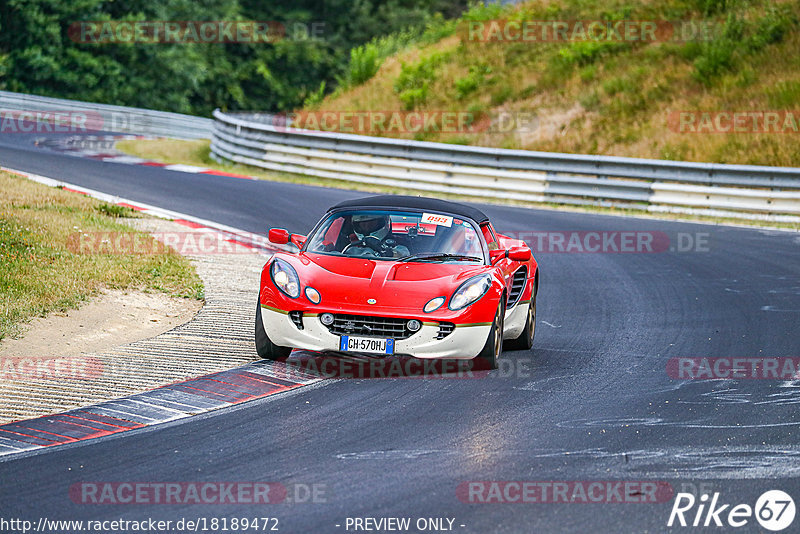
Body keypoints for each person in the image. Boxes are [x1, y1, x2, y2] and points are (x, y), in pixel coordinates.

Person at [344, 213, 409, 258]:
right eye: (362, 225)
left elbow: (403, 255)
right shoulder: (349, 245)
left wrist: (385, 251)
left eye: (371, 225)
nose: (367, 228)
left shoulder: (397, 245)